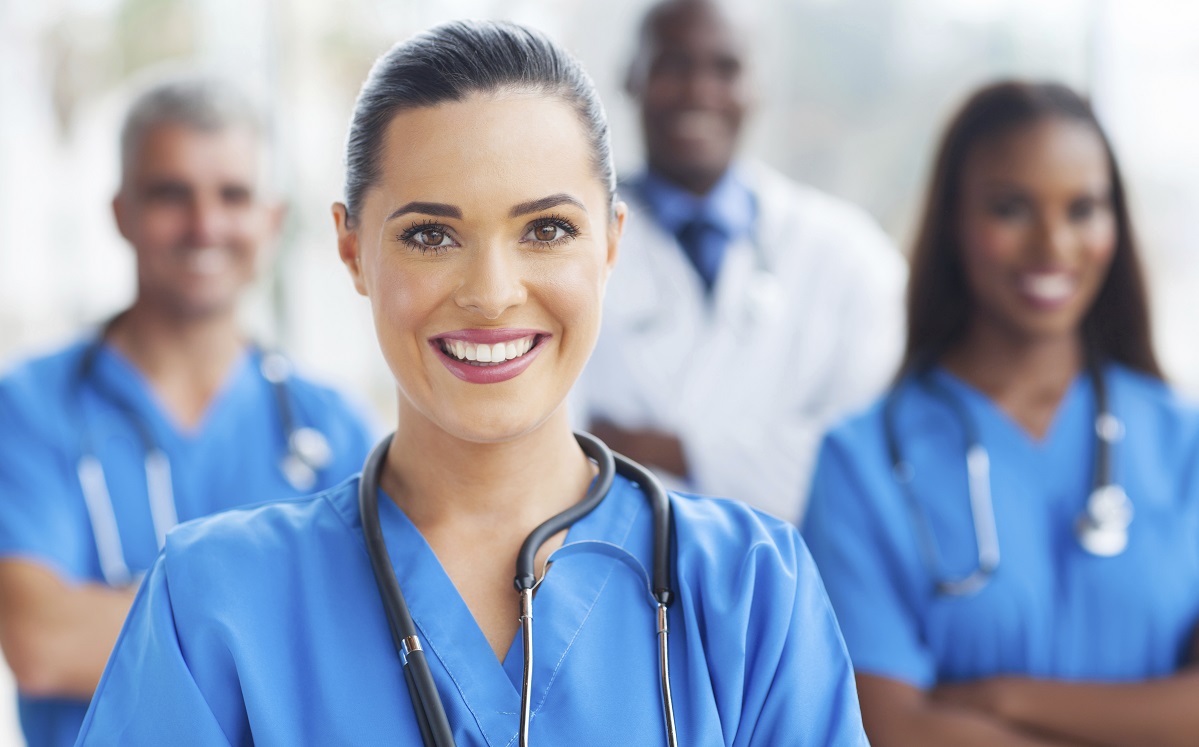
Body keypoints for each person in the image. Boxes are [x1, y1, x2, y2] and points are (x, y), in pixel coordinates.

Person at [75, 21, 868, 745]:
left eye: (547, 229)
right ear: (351, 251)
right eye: (430, 234)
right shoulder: (212, 602)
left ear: (611, 243)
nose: (491, 292)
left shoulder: (751, 590)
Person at [803, 80, 1199, 746]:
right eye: (1010, 208)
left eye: (1082, 209)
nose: (1052, 243)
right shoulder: (861, 461)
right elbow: (888, 726)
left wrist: (1001, 696)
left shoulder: (1182, 441)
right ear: (953, 220)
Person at [0, 76, 374, 746]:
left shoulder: (331, 425)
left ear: (273, 218)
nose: (205, 225)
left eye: (233, 195)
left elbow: (362, 653)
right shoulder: (30, 405)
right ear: (121, 212)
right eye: (171, 193)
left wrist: (144, 628)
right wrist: (279, 632)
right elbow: (41, 639)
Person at [578, 0, 906, 519]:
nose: (698, 92)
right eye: (673, 65)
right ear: (629, 79)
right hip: (610, 573)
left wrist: (663, 448)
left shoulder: (850, 256)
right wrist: (757, 456)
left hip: (792, 582)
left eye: (725, 68)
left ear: (757, 88)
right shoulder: (564, 246)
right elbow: (549, 448)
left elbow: (861, 461)